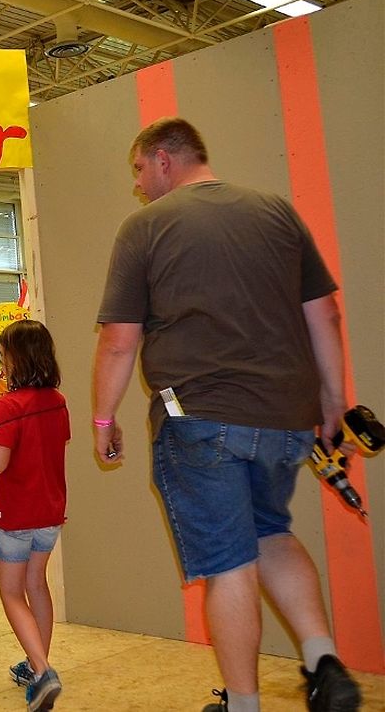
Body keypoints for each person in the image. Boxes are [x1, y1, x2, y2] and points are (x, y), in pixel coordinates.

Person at [92, 118, 361, 712]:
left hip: (199, 416)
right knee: (271, 531)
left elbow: (118, 342)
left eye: (138, 169)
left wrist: (103, 420)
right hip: (287, 418)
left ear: (164, 159)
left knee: (228, 564)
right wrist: (332, 403)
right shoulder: (277, 212)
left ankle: (243, 704)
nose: (137, 184)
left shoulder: (145, 227)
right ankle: (323, 660)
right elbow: (325, 315)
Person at [0, 320, 70, 712]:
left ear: (15, 357)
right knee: (37, 585)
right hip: (50, 510)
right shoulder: (57, 400)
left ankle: (42, 671)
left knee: (12, 593)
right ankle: (36, 662)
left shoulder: (9, 405)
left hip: (15, 513)